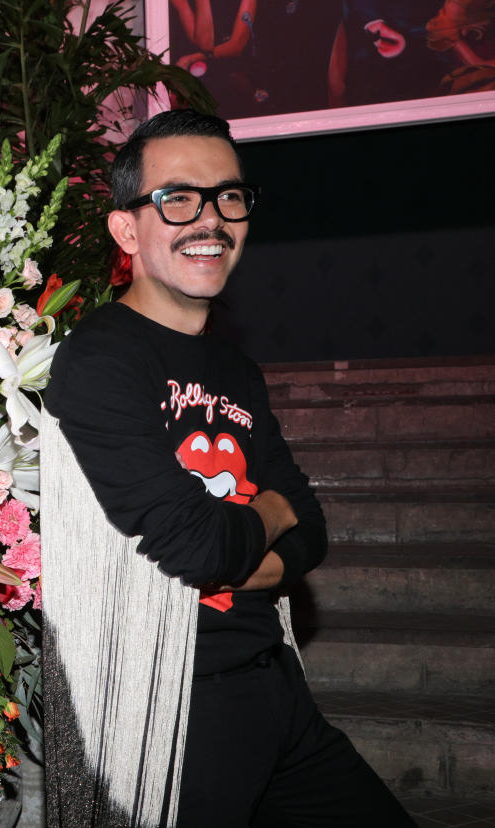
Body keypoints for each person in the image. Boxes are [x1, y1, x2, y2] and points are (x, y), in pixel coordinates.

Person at [39, 109, 415, 827]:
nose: (209, 219)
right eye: (177, 198)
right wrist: (266, 514)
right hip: (172, 708)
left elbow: (310, 529)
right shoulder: (99, 361)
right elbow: (204, 543)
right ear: (127, 230)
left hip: (274, 688)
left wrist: (255, 537)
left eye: (228, 197)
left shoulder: (235, 370)